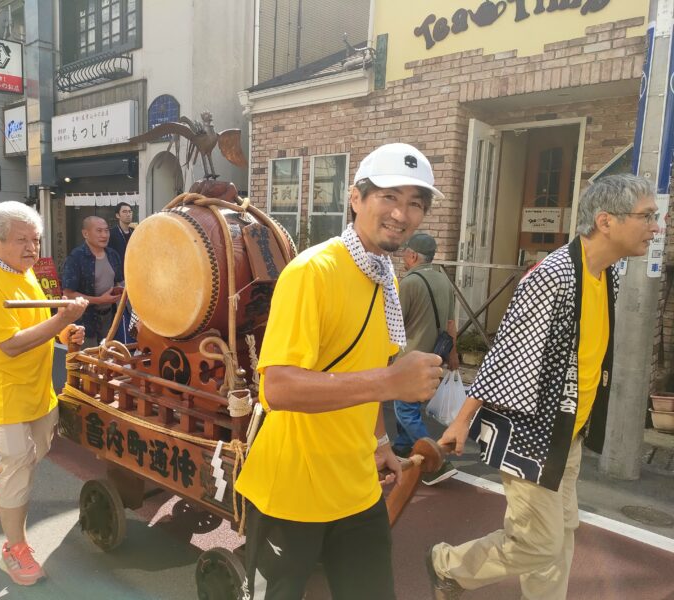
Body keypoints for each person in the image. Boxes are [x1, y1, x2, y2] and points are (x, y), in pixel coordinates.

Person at [426, 174, 659, 600]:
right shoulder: (554, 275)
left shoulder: (607, 276)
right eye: (646, 216)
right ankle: (448, 564)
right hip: (532, 435)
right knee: (540, 541)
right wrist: (463, 421)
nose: (656, 227)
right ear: (606, 221)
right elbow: (507, 354)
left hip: (566, 433)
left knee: (560, 533)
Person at [236, 143, 446, 600]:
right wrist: (391, 382)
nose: (401, 214)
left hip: (356, 487)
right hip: (292, 489)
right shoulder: (313, 271)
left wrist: (381, 441)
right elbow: (278, 386)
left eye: (415, 203)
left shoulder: (384, 275)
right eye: (389, 197)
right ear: (356, 198)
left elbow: (367, 367)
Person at [0, 200, 88, 586]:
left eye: (35, 240)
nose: (31, 249)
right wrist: (61, 320)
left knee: (36, 453)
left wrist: (67, 331)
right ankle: (14, 550)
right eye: (21, 241)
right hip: (2, 398)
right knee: (21, 462)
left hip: (37, 393)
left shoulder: (28, 275)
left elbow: (39, 324)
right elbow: (11, 345)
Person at [393, 232, 459, 485]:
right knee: (410, 407)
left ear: (412, 255)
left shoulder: (409, 283)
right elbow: (452, 324)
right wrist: (453, 354)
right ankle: (402, 447)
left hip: (410, 359)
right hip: (436, 357)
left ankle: (438, 461)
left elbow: (394, 324)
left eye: (405, 254)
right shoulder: (444, 281)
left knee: (406, 409)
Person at [62, 216, 124, 348]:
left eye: (106, 231)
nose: (104, 235)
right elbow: (68, 294)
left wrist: (119, 290)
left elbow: (119, 282)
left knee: (108, 359)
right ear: (85, 233)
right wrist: (100, 300)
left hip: (110, 318)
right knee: (88, 362)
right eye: (99, 231)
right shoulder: (76, 258)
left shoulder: (113, 255)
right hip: (84, 320)